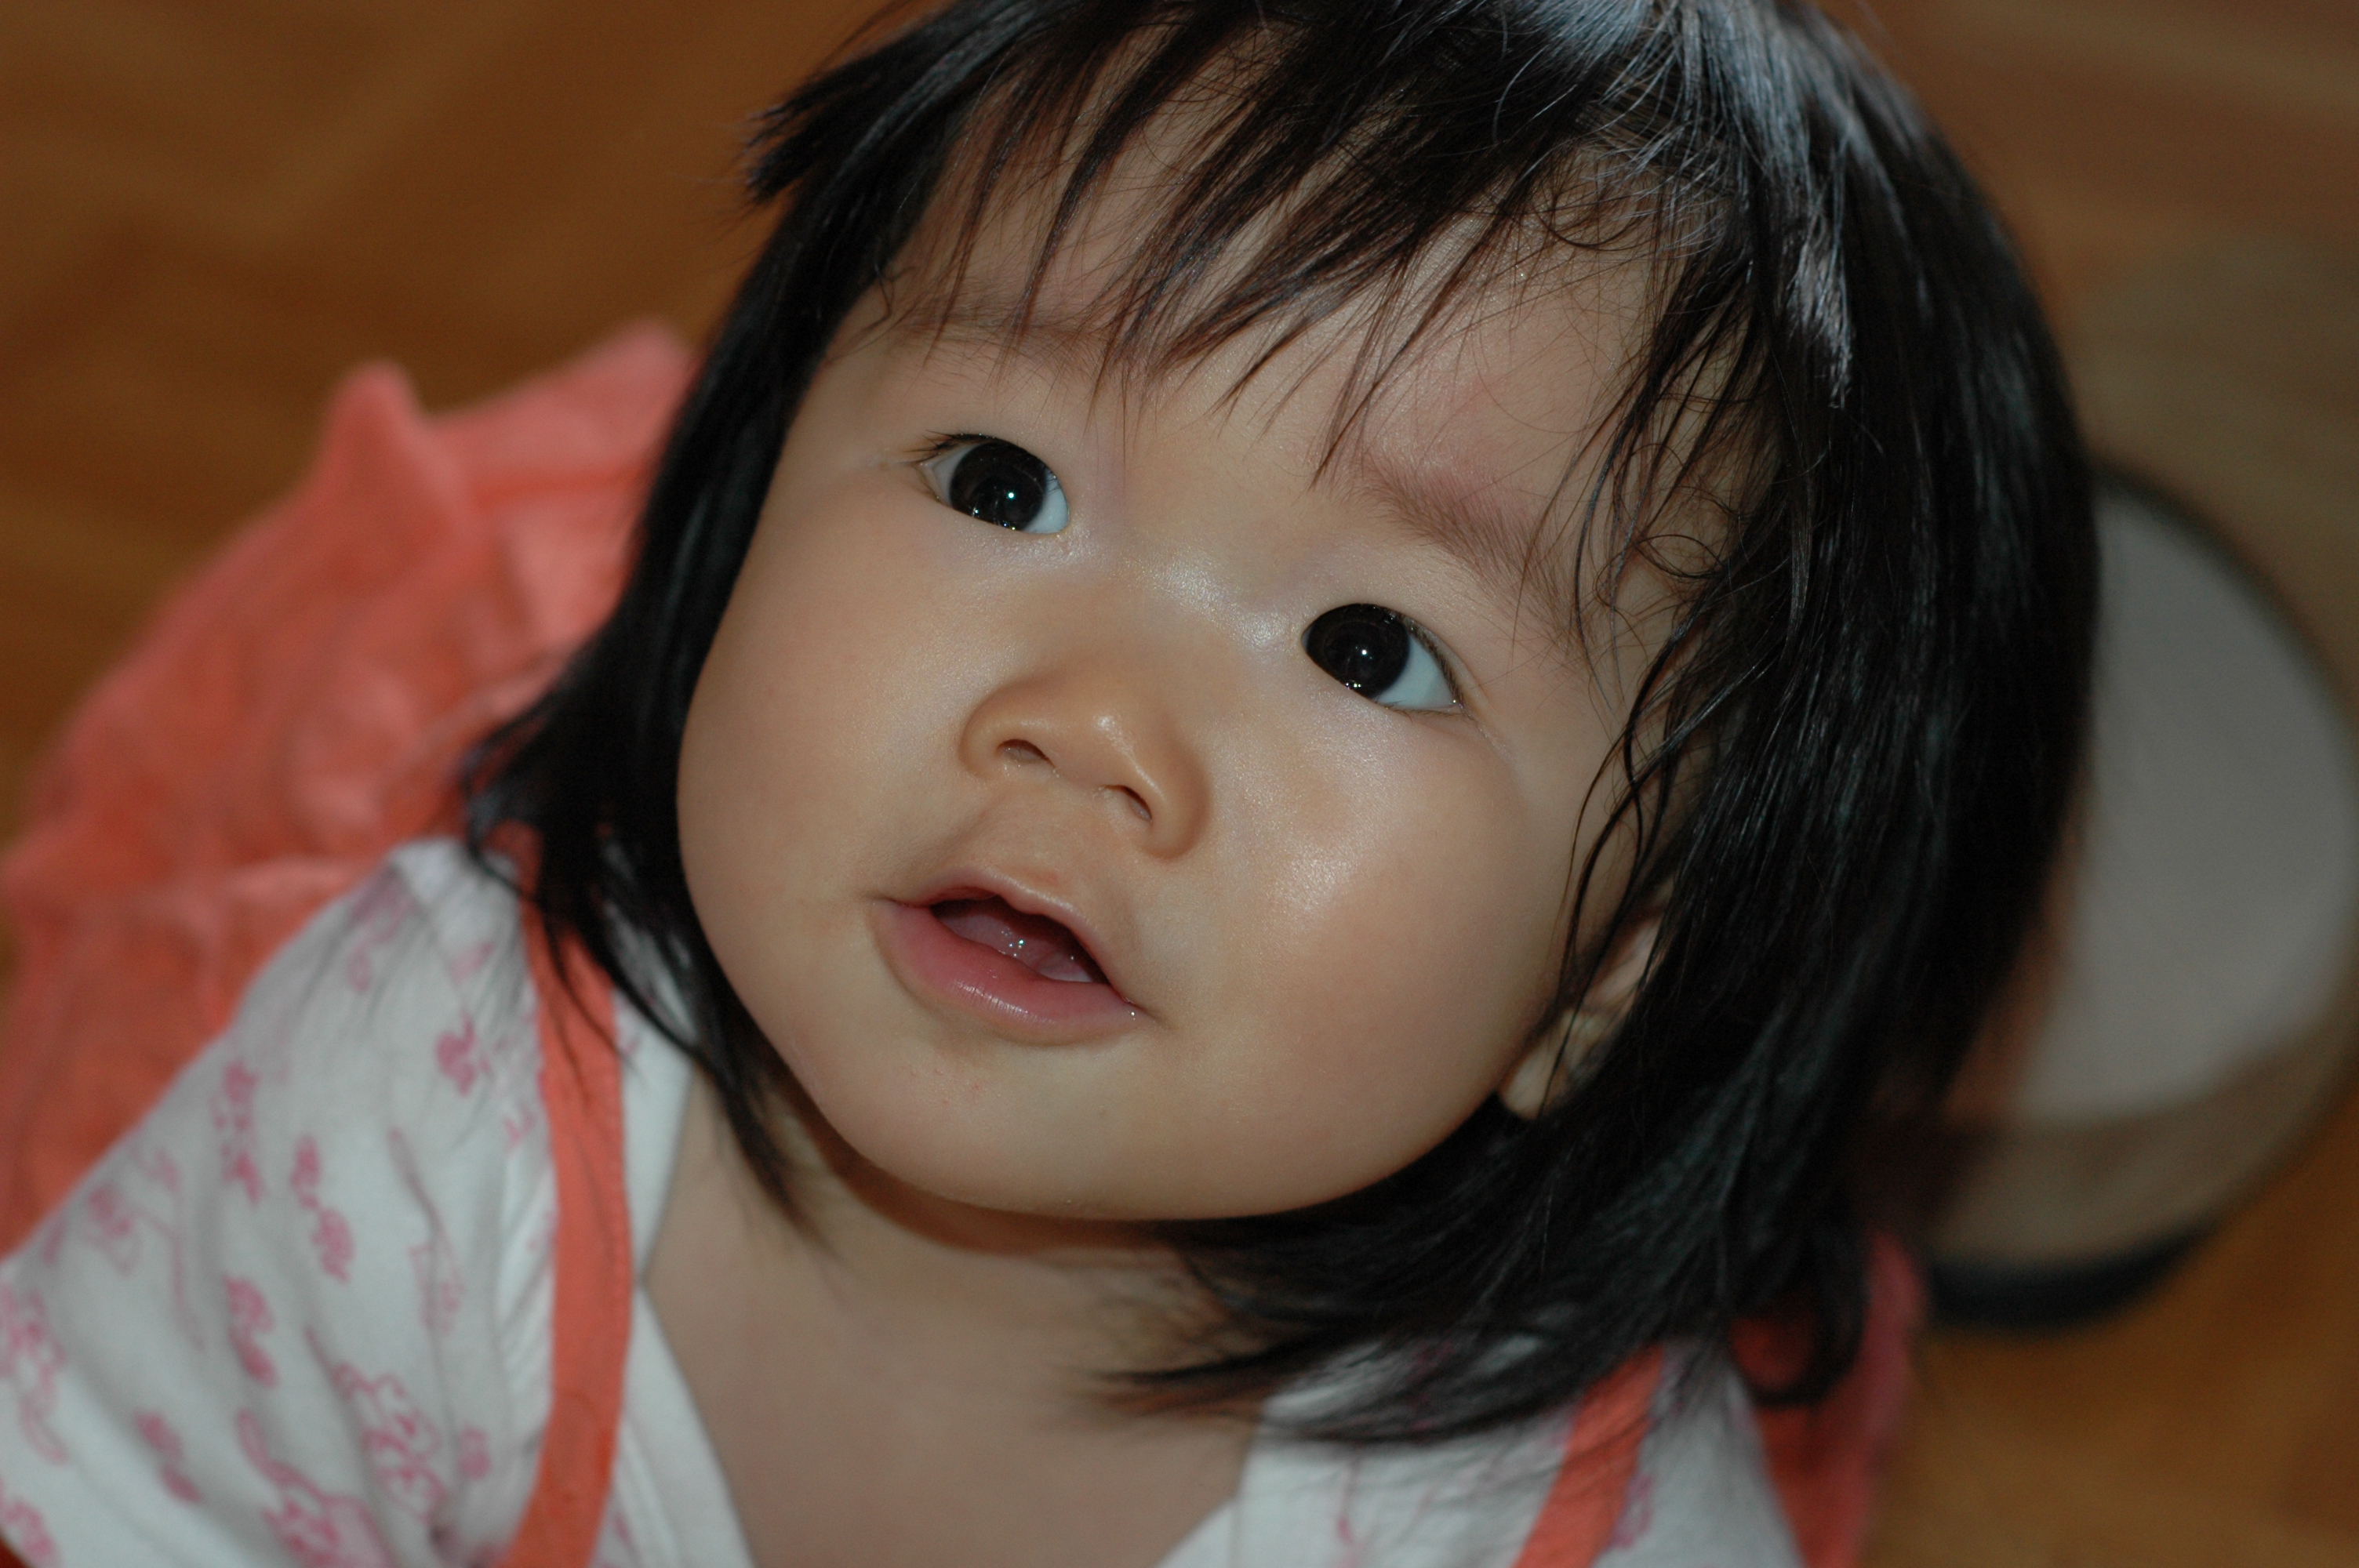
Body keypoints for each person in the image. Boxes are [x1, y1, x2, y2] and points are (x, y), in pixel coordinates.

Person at [0, 0, 2093, 1563]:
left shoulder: (1550, 1527)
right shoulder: (413, 1136)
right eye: (1002, 484)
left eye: (1369, 648)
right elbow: (126, 1504)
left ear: (1612, 968)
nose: (1089, 719)